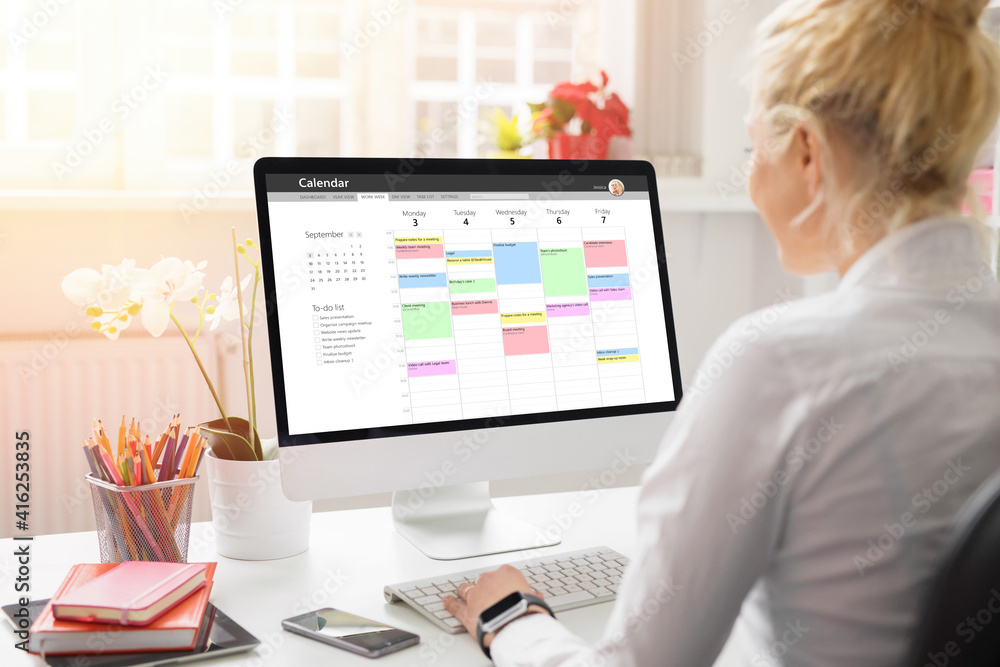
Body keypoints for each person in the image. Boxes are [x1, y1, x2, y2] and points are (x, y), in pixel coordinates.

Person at [443, 0, 1000, 664]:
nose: (751, 180)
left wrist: (512, 618)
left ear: (806, 151)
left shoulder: (781, 364)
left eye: (750, 148)